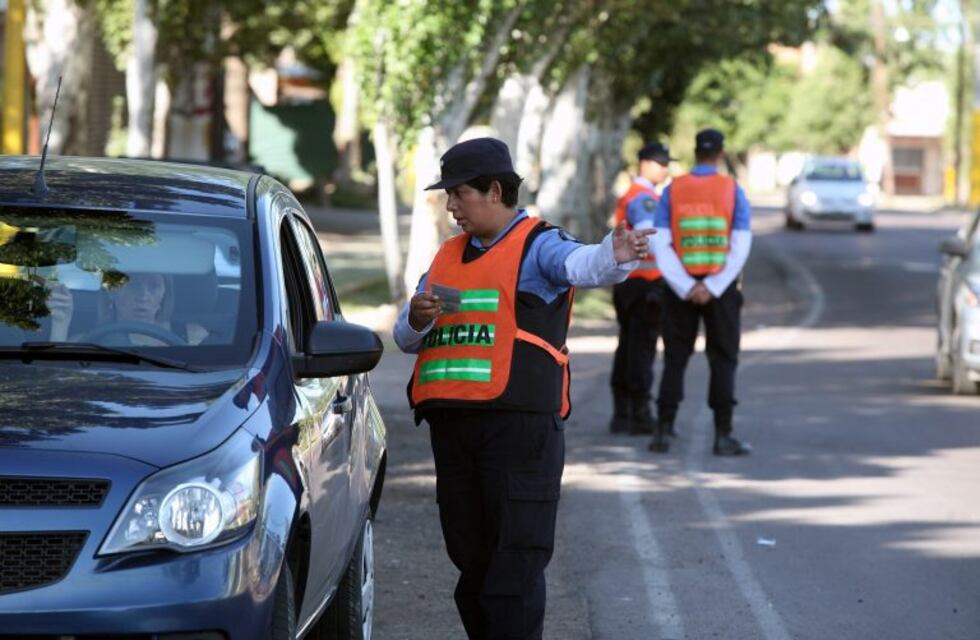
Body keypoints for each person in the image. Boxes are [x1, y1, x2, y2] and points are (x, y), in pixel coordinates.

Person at [393, 137, 652, 640]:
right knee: (473, 569)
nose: (450, 208)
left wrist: (613, 255)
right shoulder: (446, 256)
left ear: (494, 191)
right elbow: (404, 338)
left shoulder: (539, 245)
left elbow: (581, 265)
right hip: (454, 433)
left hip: (518, 433)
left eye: (458, 195)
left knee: (513, 570)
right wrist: (417, 317)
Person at [644, 128, 752, 456]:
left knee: (675, 358)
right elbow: (741, 242)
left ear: (694, 152)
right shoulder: (732, 189)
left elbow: (660, 241)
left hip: (681, 290)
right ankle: (723, 435)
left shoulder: (674, 189)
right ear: (720, 153)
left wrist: (687, 285)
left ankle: (663, 430)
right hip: (721, 289)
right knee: (723, 359)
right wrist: (714, 286)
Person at [609, 142, 673, 435]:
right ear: (646, 164)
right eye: (662, 163)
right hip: (645, 286)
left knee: (628, 347)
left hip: (628, 283)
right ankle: (639, 413)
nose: (666, 169)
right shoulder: (645, 198)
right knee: (641, 350)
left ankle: (622, 413)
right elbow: (653, 240)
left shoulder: (631, 195)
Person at [50, 272, 208, 346]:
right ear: (111, 292)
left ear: (165, 295)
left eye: (154, 286)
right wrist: (60, 324)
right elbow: (54, 378)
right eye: (133, 284)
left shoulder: (193, 337)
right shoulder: (85, 342)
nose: (143, 296)